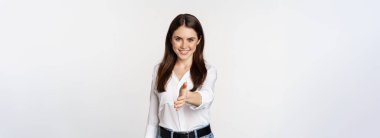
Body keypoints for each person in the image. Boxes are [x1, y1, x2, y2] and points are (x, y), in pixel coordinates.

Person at [145, 14, 217, 138]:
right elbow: (152, 120)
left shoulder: (208, 70)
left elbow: (207, 97)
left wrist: (188, 96)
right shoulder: (159, 70)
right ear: (170, 39)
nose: (184, 46)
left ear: (199, 40)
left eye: (190, 39)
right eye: (178, 39)